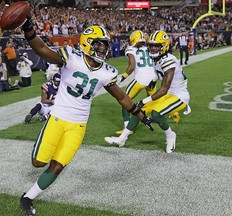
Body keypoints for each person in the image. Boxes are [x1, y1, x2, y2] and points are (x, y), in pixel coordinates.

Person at [19, 20, 156, 216]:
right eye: (99, 44)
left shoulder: (106, 71)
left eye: (105, 45)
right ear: (87, 43)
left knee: (58, 166)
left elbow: (122, 97)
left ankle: (28, 197)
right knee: (38, 163)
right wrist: (28, 29)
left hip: (79, 125)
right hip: (58, 118)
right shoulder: (71, 57)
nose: (102, 49)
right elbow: (41, 49)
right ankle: (31, 187)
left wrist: (142, 116)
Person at [105, 30, 191, 153]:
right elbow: (158, 72)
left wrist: (143, 100)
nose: (153, 49)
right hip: (168, 94)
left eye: (157, 46)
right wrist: (153, 80)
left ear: (164, 46)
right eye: (151, 45)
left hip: (179, 95)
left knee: (156, 113)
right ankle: (122, 138)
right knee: (139, 111)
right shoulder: (157, 58)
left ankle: (170, 135)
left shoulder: (169, 61)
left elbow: (163, 89)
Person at [115, 30, 157, 135]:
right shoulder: (150, 48)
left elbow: (132, 65)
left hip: (140, 80)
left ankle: (127, 127)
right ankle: (172, 113)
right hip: (152, 80)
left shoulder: (130, 49)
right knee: (153, 102)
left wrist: (123, 77)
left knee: (125, 100)